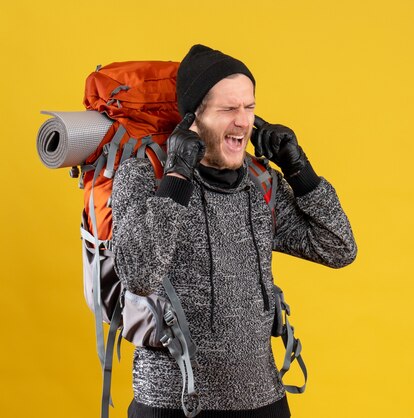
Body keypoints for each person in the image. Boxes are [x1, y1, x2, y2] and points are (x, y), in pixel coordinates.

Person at [111, 44, 357, 418]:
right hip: (171, 404)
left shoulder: (259, 184)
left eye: (250, 107)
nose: (243, 121)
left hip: (264, 400)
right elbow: (138, 274)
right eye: (229, 109)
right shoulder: (145, 177)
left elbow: (339, 248)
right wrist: (177, 176)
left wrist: (299, 170)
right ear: (193, 120)